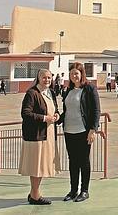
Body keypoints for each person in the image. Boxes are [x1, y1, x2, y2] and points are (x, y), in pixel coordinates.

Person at [59, 62, 101, 203]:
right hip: (69, 130)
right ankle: (73, 190)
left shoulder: (89, 89)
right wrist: (56, 119)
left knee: (83, 161)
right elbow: (67, 111)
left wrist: (92, 129)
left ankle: (84, 190)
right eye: (71, 74)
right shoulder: (68, 90)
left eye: (76, 73)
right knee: (73, 161)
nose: (74, 76)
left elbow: (96, 111)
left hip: (83, 130)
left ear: (82, 74)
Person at [19, 68, 60, 206]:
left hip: (48, 135)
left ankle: (34, 194)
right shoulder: (32, 93)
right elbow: (26, 113)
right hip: (37, 135)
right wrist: (44, 118)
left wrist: (56, 115)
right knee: (36, 166)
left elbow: (55, 109)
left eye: (49, 78)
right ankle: (35, 195)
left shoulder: (51, 93)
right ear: (38, 78)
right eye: (44, 77)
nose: (47, 80)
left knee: (42, 166)